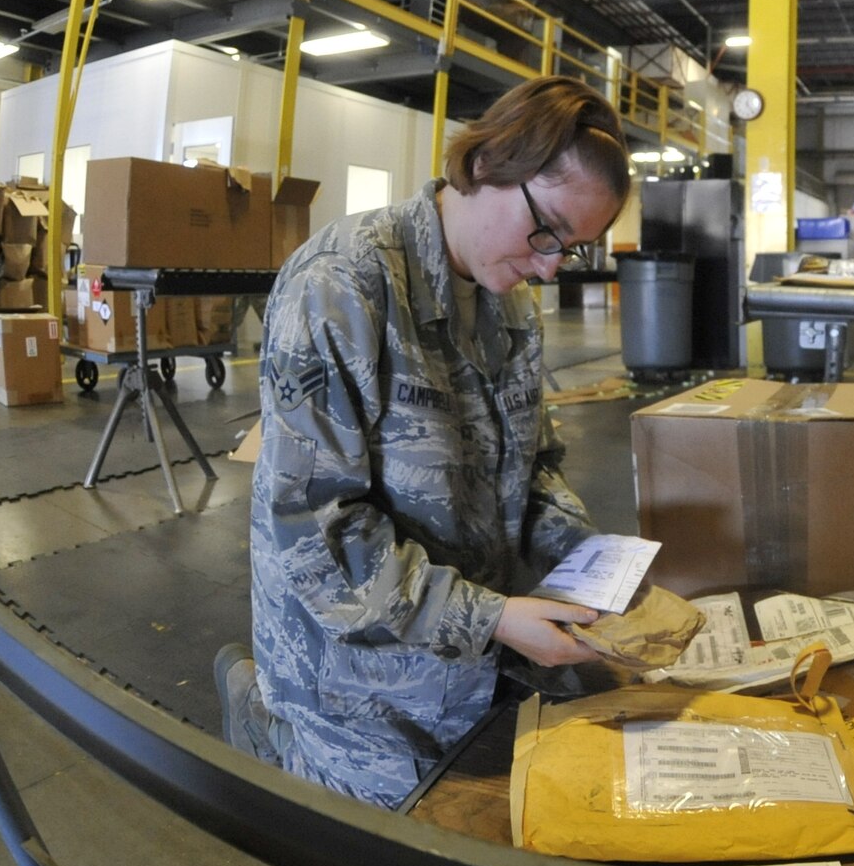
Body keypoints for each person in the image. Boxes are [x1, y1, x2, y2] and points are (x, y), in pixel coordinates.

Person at [215, 75, 630, 808]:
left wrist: (591, 563)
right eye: (548, 233)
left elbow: (535, 468)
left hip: (469, 635)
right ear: (483, 167)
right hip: (356, 669)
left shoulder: (511, 306)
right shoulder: (340, 286)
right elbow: (315, 534)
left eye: (574, 251)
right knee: (410, 833)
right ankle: (269, 720)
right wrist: (493, 617)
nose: (548, 266)